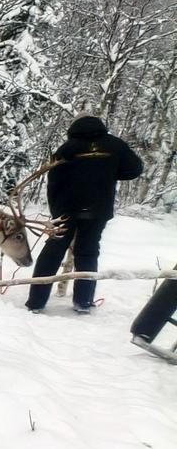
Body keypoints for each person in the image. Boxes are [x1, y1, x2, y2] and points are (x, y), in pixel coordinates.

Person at [25, 116, 143, 314]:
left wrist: (56, 212)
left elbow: (53, 181)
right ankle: (83, 302)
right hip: (98, 209)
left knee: (52, 252)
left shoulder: (67, 148)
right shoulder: (116, 145)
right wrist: (110, 171)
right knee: (88, 252)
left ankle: (35, 303)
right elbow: (134, 169)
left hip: (66, 209)